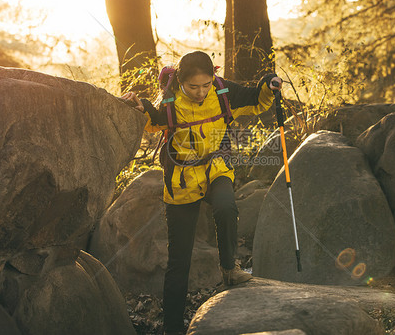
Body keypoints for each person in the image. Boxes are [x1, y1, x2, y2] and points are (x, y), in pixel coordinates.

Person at [121, 51, 282, 335]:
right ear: (180, 82)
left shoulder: (222, 92)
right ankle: (172, 328)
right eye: (193, 87)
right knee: (178, 263)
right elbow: (153, 117)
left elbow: (255, 99)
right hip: (182, 182)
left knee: (226, 206)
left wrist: (269, 82)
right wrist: (139, 105)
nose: (200, 92)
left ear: (213, 79)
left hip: (216, 169)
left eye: (205, 85)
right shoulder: (171, 103)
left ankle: (229, 268)